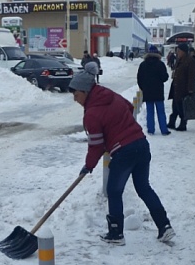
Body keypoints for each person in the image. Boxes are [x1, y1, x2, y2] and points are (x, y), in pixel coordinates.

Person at [69, 70, 175, 245]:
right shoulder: (109, 95)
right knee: (144, 188)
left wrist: (88, 165)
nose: (74, 98)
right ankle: (164, 226)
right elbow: (129, 107)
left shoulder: (92, 114)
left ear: (85, 91)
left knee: (114, 191)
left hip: (124, 152)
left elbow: (96, 145)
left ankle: (116, 234)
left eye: (76, 94)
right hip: (141, 144)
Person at [136, 44, 170, 136]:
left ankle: (151, 130)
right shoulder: (160, 64)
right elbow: (164, 77)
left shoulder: (143, 64)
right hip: (158, 91)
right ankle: (164, 129)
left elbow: (139, 78)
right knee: (161, 111)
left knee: (150, 112)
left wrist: (143, 87)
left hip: (147, 91)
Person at [167, 42, 195, 132]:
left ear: (184, 51)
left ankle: (183, 124)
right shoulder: (179, 59)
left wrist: (190, 89)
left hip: (183, 88)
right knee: (175, 106)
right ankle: (172, 122)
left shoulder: (189, 61)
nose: (177, 52)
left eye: (179, 51)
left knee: (181, 107)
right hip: (176, 86)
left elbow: (192, 77)